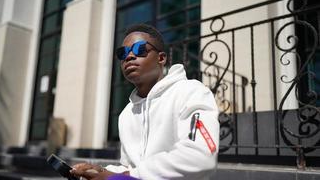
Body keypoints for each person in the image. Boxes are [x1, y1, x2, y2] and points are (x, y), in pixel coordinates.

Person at [70, 24, 220, 180]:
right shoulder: (126, 114)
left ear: (161, 58)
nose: (129, 56)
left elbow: (201, 156)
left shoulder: (190, 92)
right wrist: (100, 171)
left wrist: (128, 176)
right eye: (123, 53)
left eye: (139, 50)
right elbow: (130, 167)